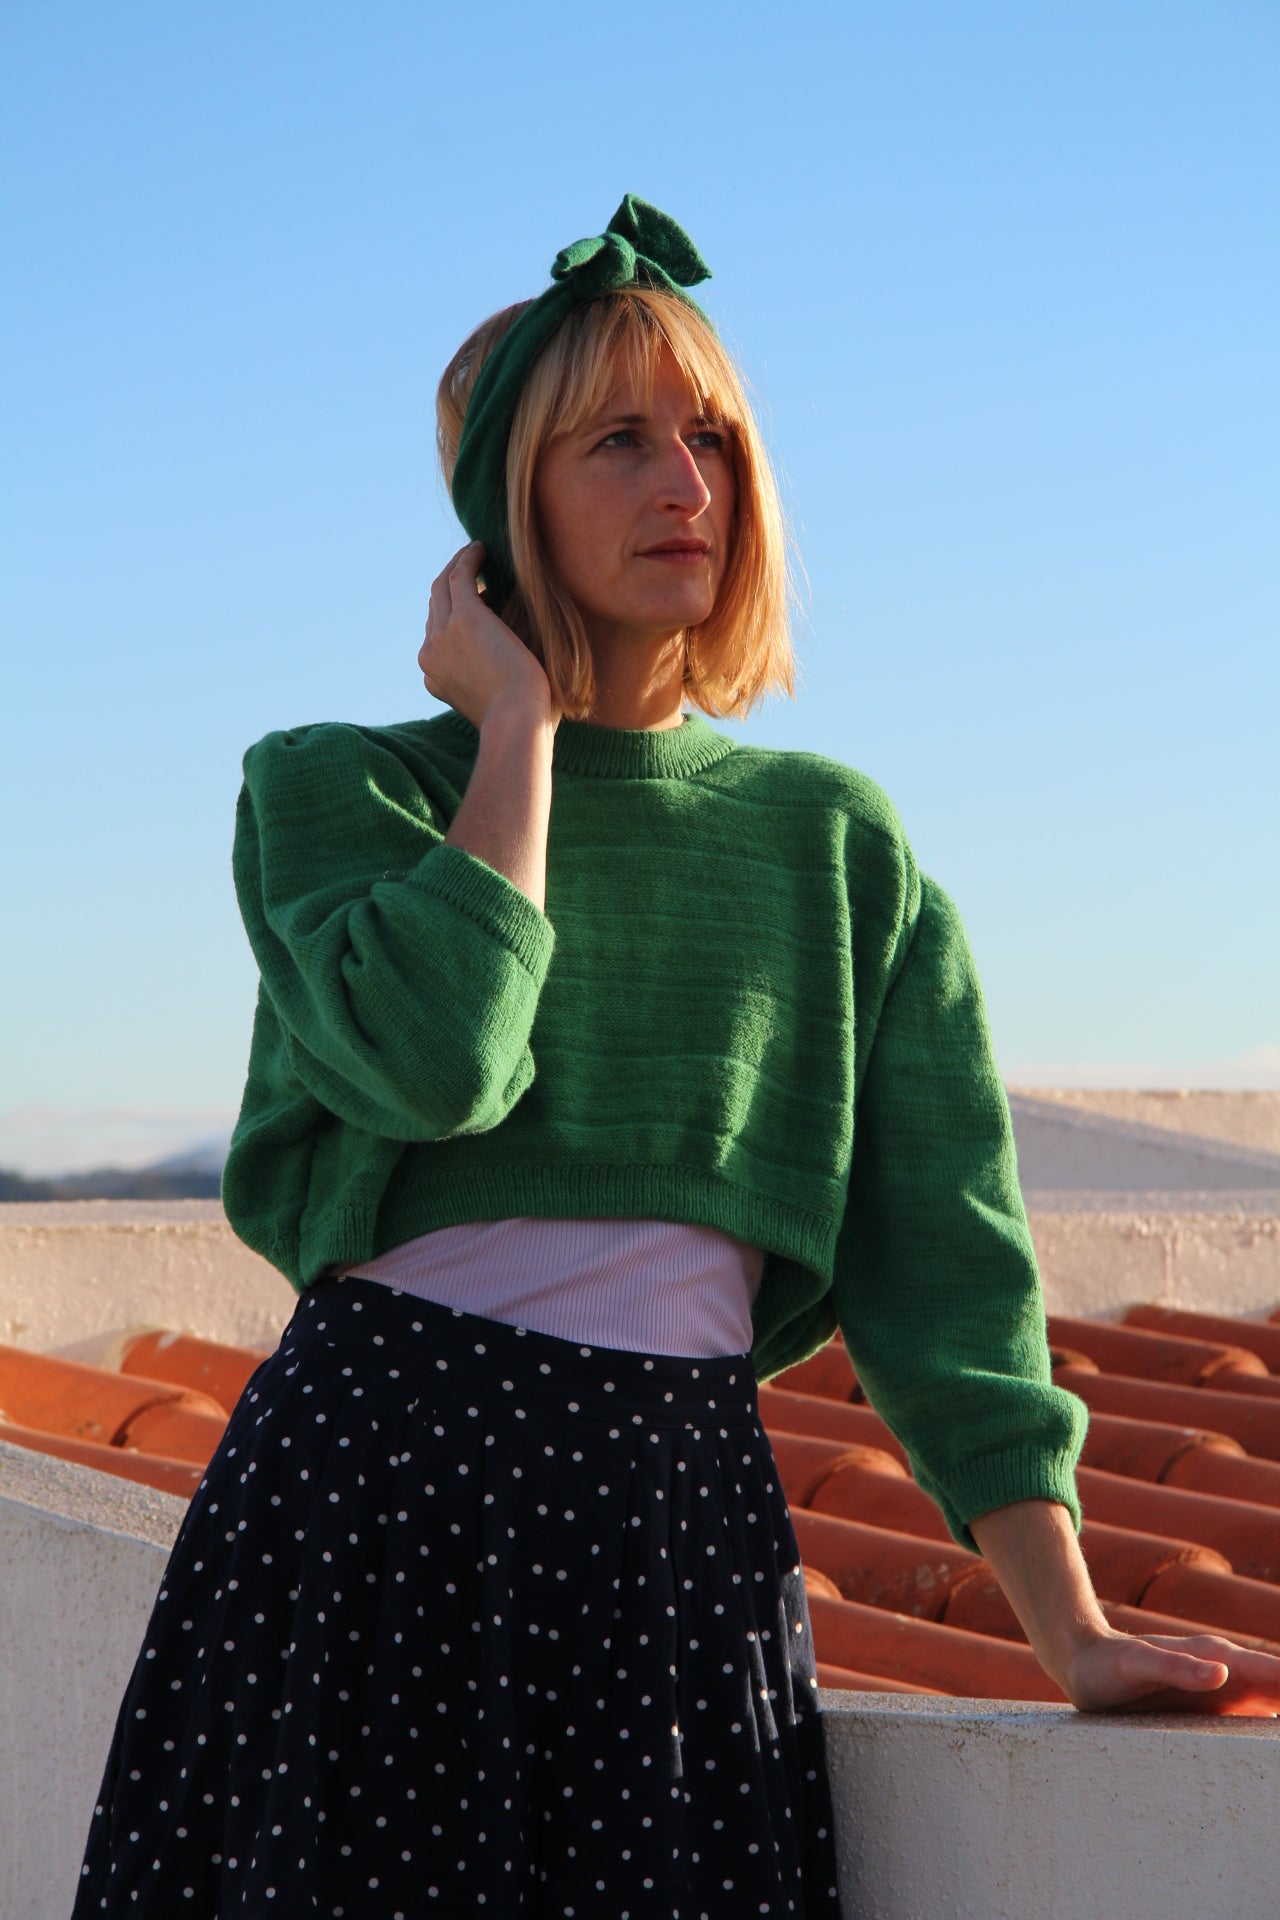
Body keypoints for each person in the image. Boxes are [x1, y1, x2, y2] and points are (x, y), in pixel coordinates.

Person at [71, 194, 1280, 1920]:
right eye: (621, 440)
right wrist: (515, 727)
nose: (686, 485)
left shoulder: (833, 847)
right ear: (506, 503)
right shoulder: (337, 789)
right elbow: (435, 1065)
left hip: (672, 1519)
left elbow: (947, 1268)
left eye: (711, 436)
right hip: (372, 1496)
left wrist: (1070, 1629)